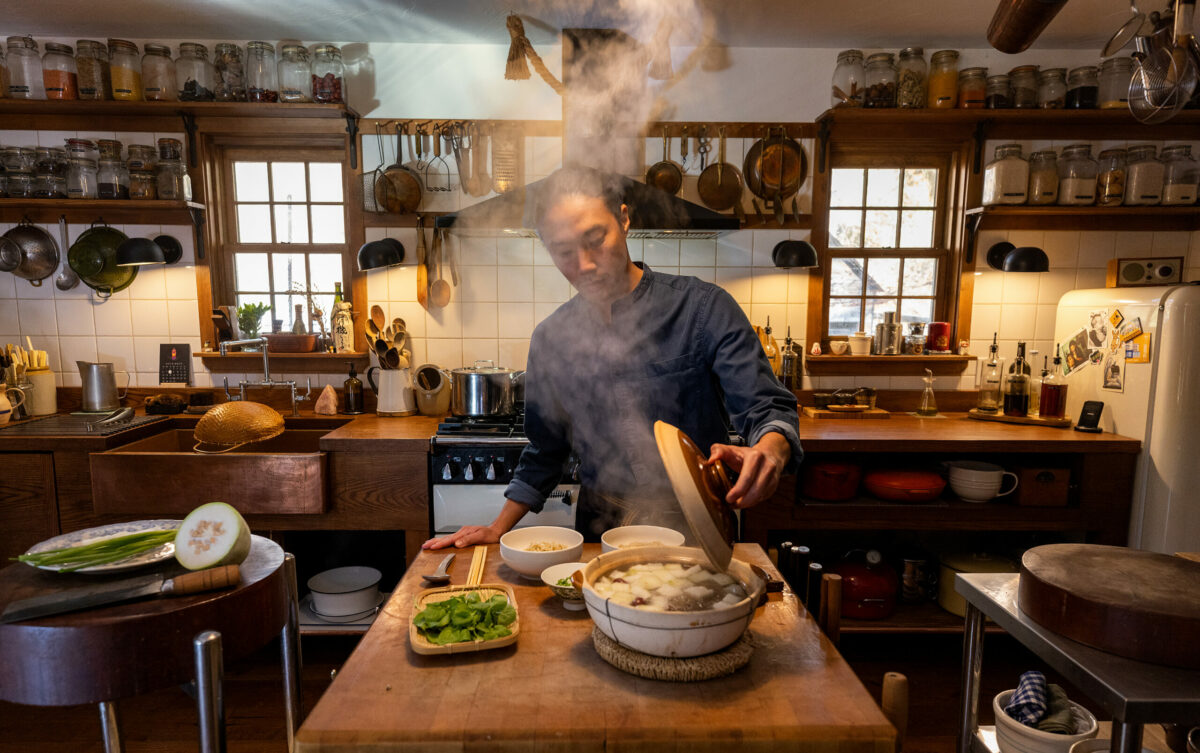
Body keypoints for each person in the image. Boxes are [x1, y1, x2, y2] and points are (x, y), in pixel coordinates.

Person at [424, 167, 802, 550]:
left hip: (697, 528)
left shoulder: (702, 308)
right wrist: (497, 528)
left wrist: (770, 449)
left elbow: (767, 407)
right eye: (564, 251)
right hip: (599, 532)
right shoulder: (552, 338)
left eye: (595, 238)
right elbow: (544, 452)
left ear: (623, 219)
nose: (585, 264)